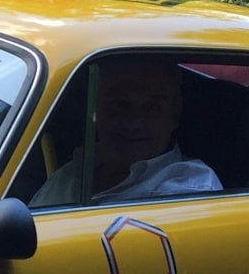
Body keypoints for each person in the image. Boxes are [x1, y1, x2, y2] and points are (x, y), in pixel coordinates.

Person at [29, 56, 221, 207]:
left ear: (174, 115)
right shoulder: (75, 170)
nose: (134, 122)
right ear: (95, 109)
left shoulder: (191, 191)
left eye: (152, 107)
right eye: (119, 104)